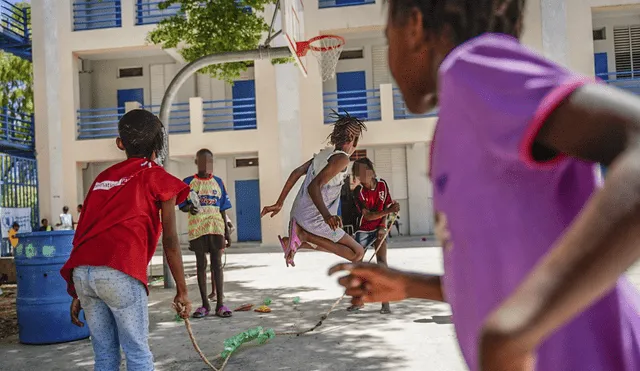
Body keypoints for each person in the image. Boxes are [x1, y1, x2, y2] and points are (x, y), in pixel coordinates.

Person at [330, 1, 640, 371]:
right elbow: (506, 273)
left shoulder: (472, 69)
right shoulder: (457, 124)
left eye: (386, 38)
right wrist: (412, 285)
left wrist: (518, 327)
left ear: (413, 26)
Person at [60, 109, 191, 371]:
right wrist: (182, 290)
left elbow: (83, 231)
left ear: (120, 143)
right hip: (119, 270)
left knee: (105, 354)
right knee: (137, 352)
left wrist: (78, 290)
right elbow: (171, 241)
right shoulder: (157, 176)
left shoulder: (102, 178)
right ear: (159, 145)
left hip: (84, 272)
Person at [261, 111, 367, 267]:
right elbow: (314, 186)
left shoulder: (325, 154)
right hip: (312, 218)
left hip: (298, 213)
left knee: (344, 249)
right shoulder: (342, 159)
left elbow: (296, 172)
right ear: (353, 139)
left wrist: (279, 203)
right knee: (357, 253)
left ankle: (298, 241)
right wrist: (327, 216)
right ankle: (304, 236)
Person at [180, 149, 232, 318]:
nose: (205, 165)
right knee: (201, 265)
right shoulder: (188, 183)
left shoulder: (218, 182)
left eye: (209, 162)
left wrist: (227, 233)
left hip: (216, 227)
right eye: (202, 162)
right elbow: (182, 205)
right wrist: (190, 208)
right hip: (197, 229)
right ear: (196, 163)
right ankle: (204, 305)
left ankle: (220, 304)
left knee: (217, 264)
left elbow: (222, 208)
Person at [351, 158, 399, 314]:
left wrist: (383, 227)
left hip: (379, 229)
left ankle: (385, 303)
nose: (363, 175)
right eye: (359, 173)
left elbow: (387, 205)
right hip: (363, 231)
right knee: (357, 266)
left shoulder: (382, 185)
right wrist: (389, 211)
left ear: (372, 171)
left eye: (366, 171)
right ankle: (358, 301)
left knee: (382, 264)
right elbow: (369, 216)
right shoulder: (358, 192)